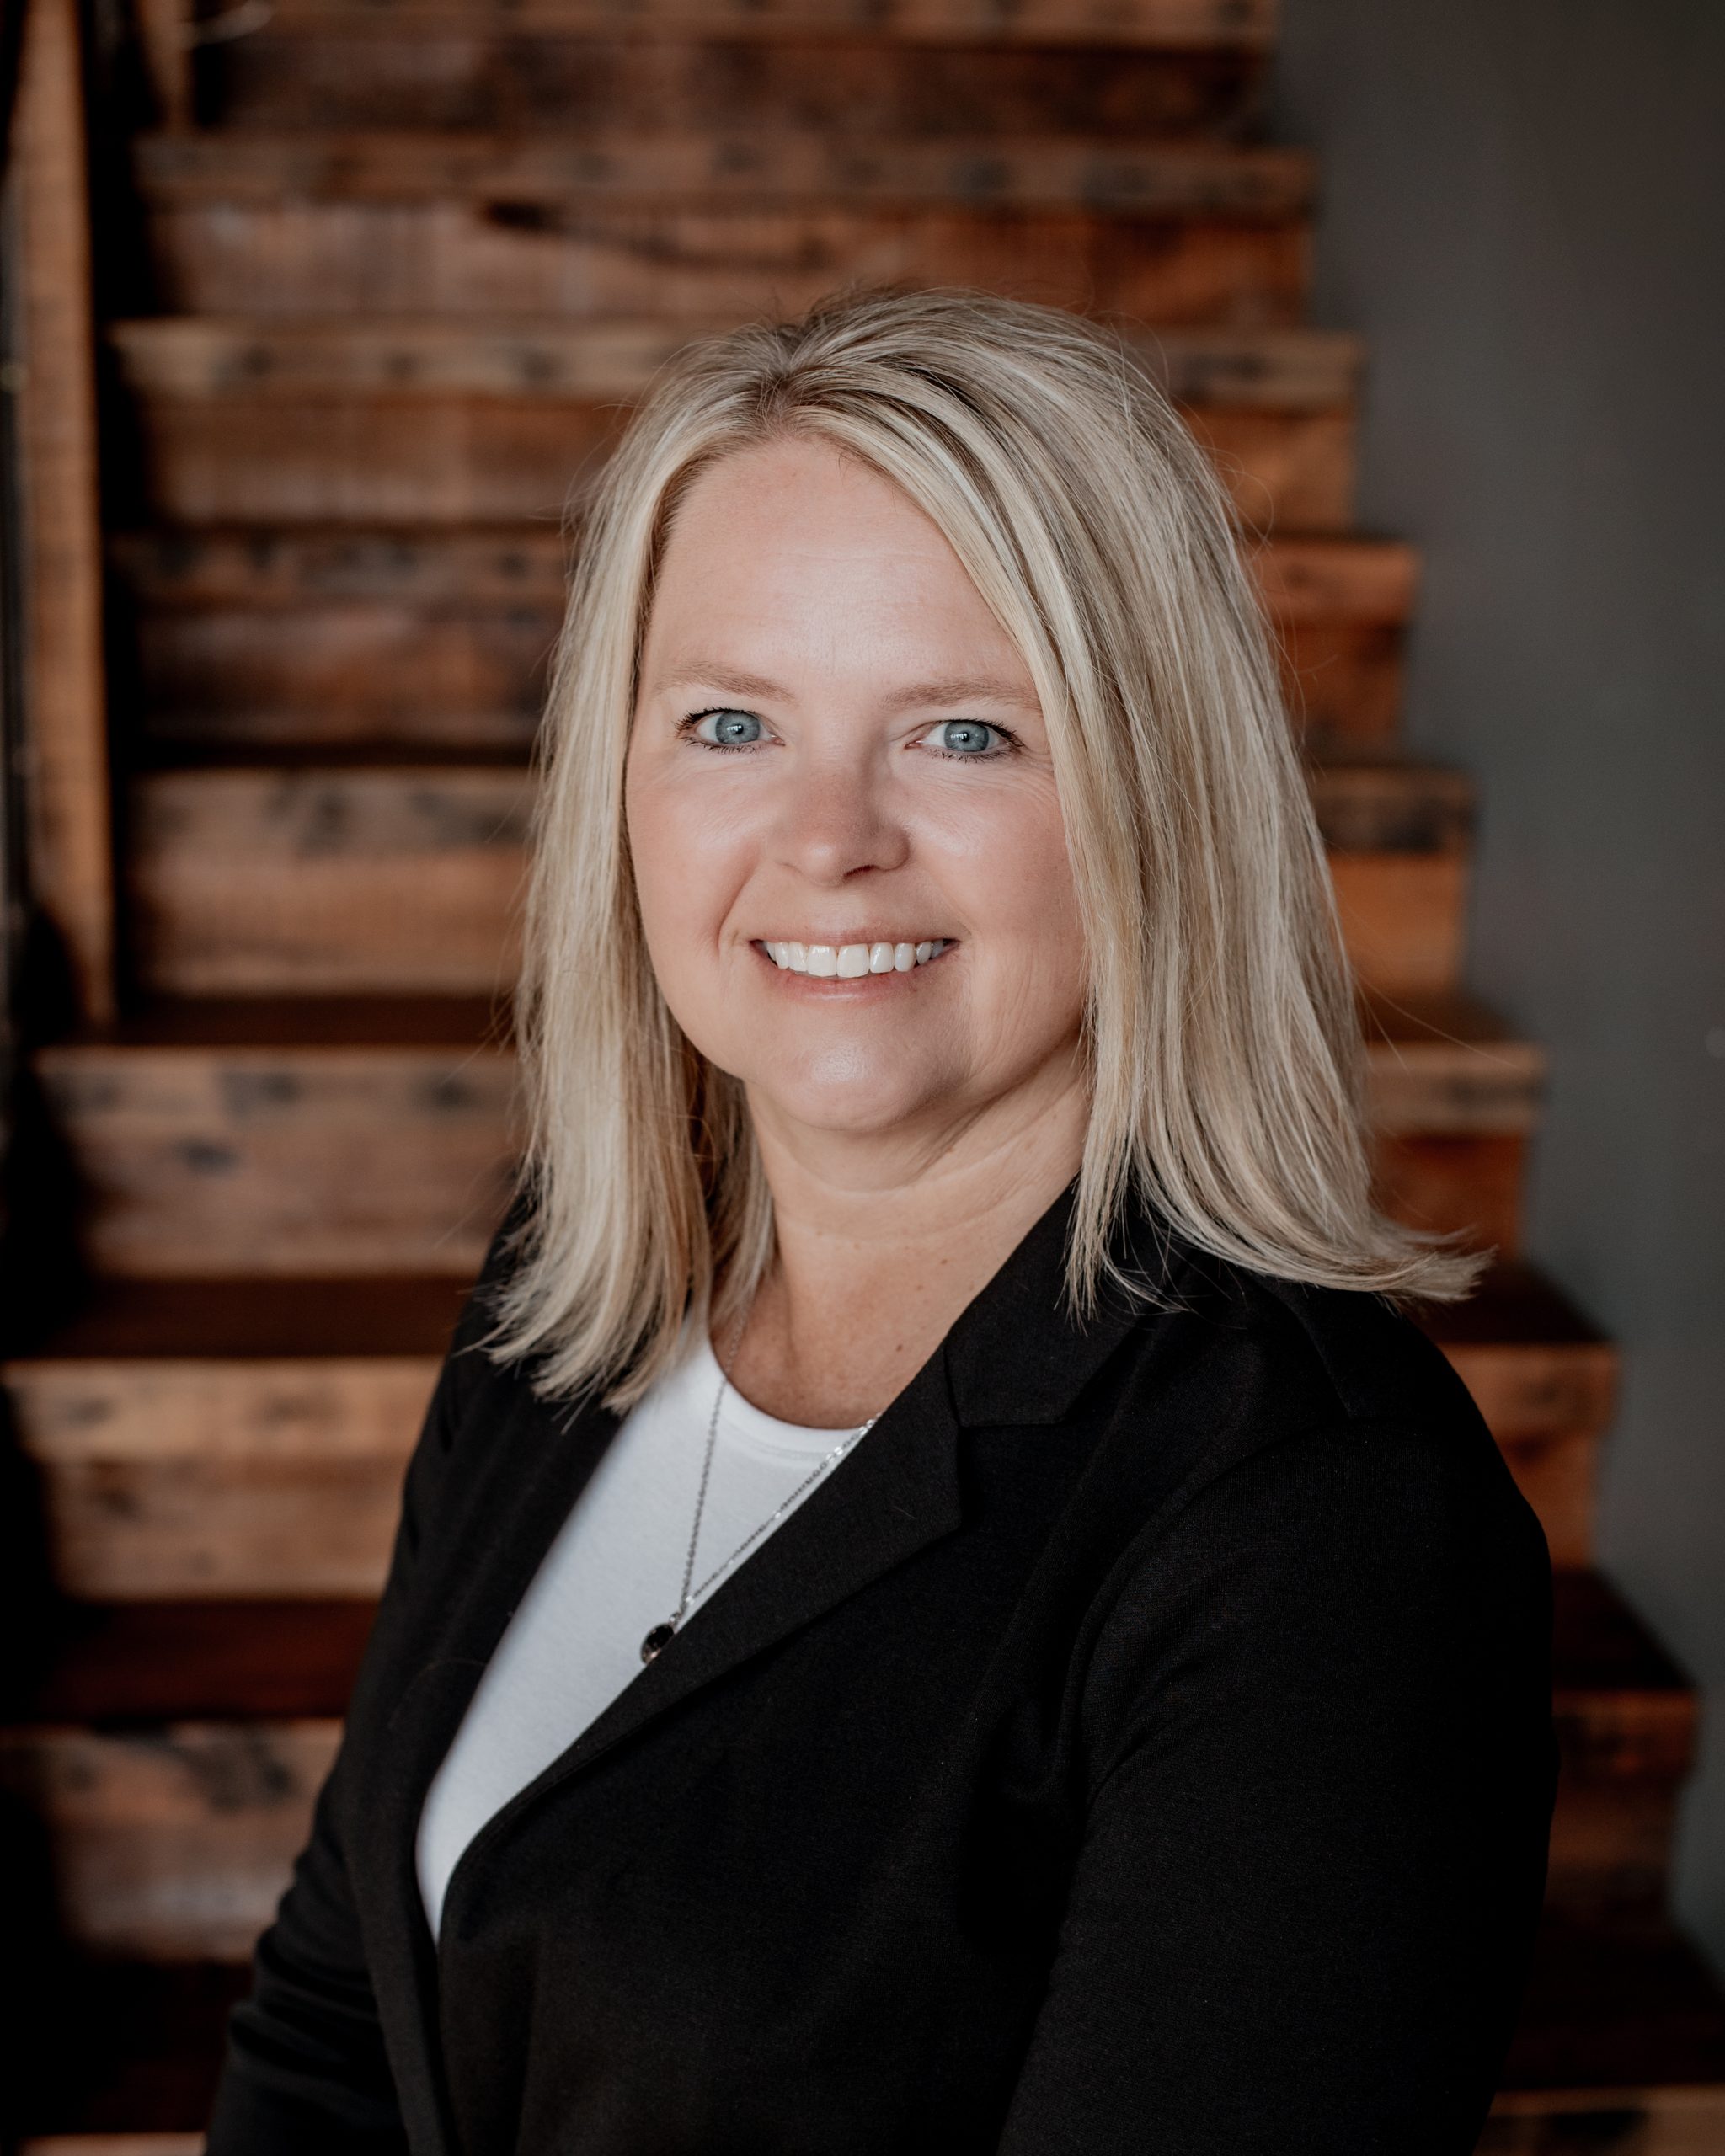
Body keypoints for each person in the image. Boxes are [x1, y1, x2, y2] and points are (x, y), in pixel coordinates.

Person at [205, 288, 1556, 2156]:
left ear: (1155, 795)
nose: (828, 836)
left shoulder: (1321, 1529)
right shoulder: (572, 1286)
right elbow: (342, 2003)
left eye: (965, 735)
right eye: (731, 720)